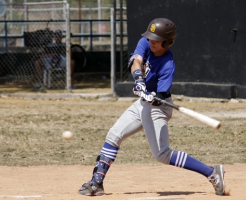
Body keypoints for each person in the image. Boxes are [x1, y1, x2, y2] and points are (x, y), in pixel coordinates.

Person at [78, 18, 226, 196]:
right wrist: (139, 81)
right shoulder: (146, 42)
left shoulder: (167, 65)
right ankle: (96, 183)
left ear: (167, 41)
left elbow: (161, 96)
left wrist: (154, 96)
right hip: (142, 103)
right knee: (113, 135)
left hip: (159, 107)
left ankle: (211, 172)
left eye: (156, 40)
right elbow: (136, 61)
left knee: (162, 155)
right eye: (150, 38)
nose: (151, 42)